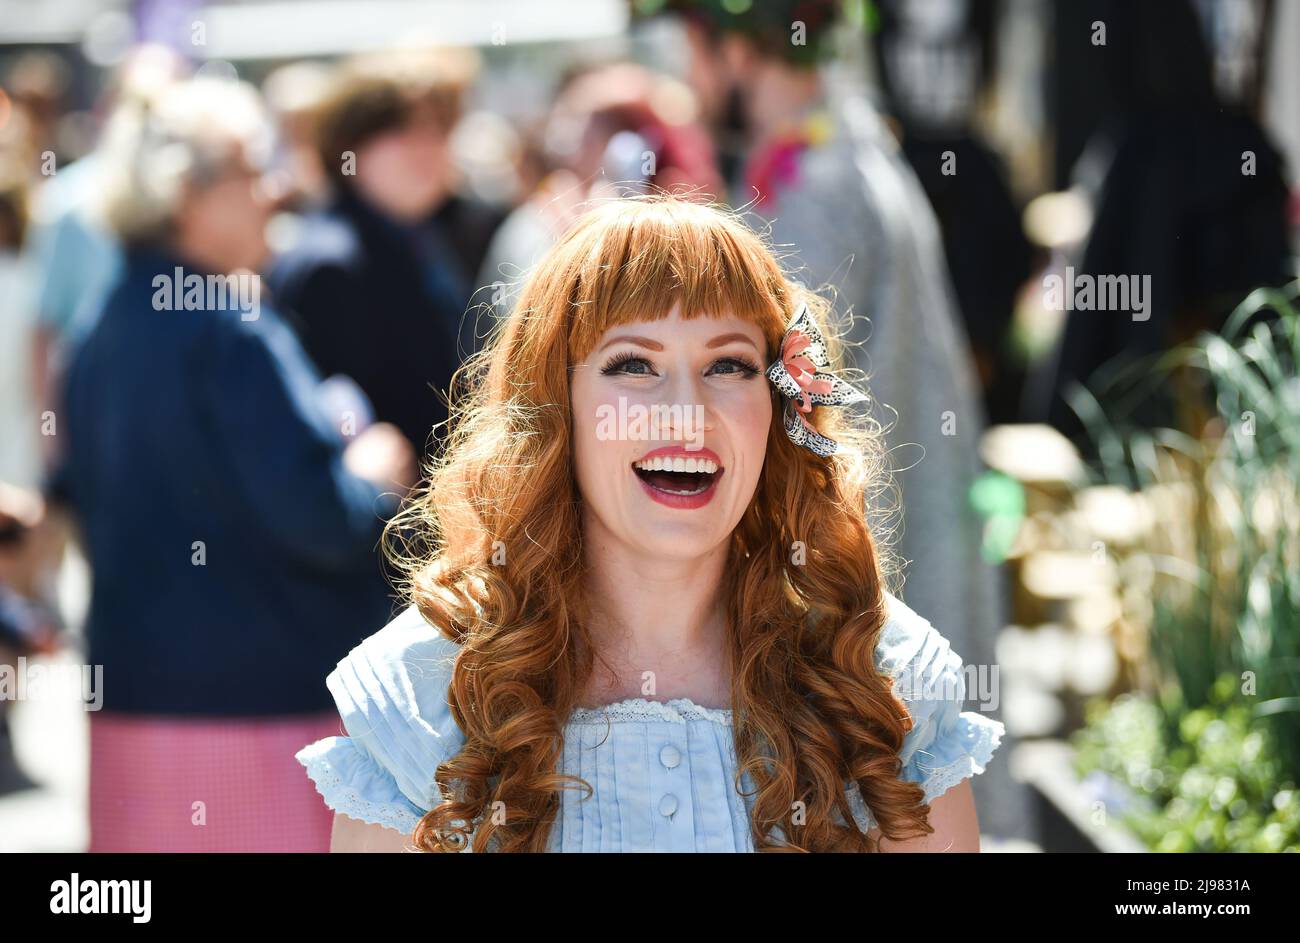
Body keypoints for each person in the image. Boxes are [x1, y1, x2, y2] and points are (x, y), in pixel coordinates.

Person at [296, 195, 1004, 852]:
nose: (685, 411)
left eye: (728, 364)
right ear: (555, 408)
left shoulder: (883, 680)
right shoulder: (423, 697)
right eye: (633, 364)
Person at [49, 77, 416, 852]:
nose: (277, 189)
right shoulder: (231, 333)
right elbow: (322, 519)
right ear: (188, 192)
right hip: (259, 718)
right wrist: (376, 469)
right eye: (254, 168)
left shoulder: (99, 329)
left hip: (136, 708)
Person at [268, 48, 507, 457]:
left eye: (440, 131)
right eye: (404, 131)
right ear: (350, 146)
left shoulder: (422, 234)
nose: (428, 149)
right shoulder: (331, 264)